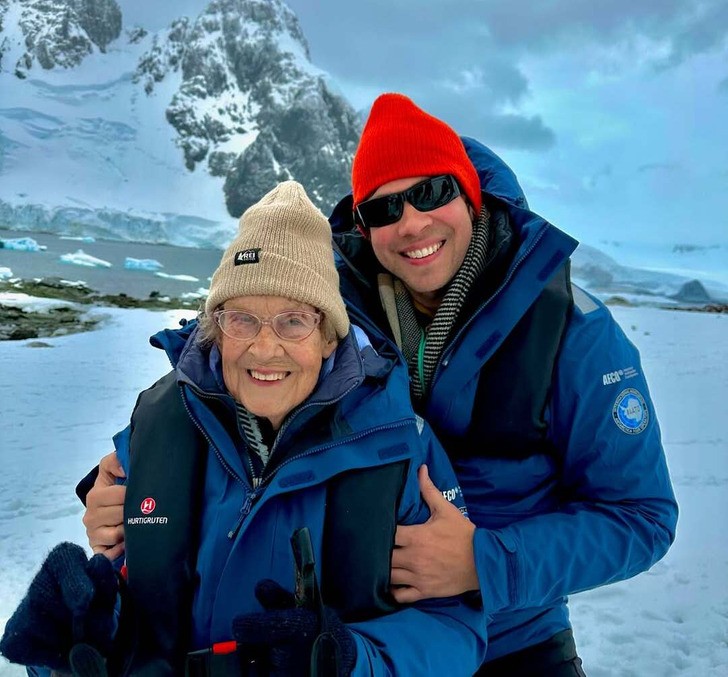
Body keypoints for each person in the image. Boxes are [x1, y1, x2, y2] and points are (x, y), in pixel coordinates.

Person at [76, 93, 678, 675]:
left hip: (514, 636)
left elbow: (641, 517)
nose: (411, 223)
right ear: (363, 227)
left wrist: (484, 562)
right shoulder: (335, 297)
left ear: (469, 196)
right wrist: (136, 480)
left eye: (431, 193)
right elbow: (230, 355)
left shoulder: (570, 331)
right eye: (385, 209)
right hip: (349, 635)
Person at [0, 181, 487, 676]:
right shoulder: (160, 425)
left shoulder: (399, 446)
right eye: (242, 320)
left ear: (328, 337)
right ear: (216, 329)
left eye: (293, 321)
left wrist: (348, 662)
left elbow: (456, 631)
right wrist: (72, 640)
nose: (264, 348)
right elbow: (123, 582)